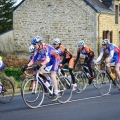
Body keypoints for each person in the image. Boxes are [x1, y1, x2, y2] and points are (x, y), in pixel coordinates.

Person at [22, 36, 60, 102]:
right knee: (40, 69)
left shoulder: (45, 47)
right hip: (50, 59)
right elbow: (33, 59)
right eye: (33, 44)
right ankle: (49, 80)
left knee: (53, 74)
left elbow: (47, 59)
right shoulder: (37, 50)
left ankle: (56, 93)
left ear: (39, 43)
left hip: (55, 58)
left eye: (34, 44)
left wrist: (40, 64)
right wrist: (26, 66)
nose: (33, 46)